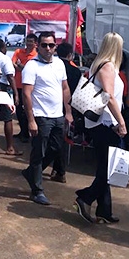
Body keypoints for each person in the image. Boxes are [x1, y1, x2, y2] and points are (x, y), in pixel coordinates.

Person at [73, 32, 128, 224]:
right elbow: (109, 97)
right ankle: (86, 197)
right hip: (106, 124)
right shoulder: (108, 67)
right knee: (108, 170)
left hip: (101, 124)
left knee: (105, 167)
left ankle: (104, 209)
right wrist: (121, 122)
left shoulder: (100, 64)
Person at [20, 32, 73, 205]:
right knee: (38, 152)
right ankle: (37, 190)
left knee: (56, 148)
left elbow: (65, 88)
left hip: (57, 116)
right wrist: (31, 120)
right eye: (44, 45)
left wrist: (68, 111)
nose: (48, 48)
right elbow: (26, 94)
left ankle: (31, 173)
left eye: (51, 45)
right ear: (38, 46)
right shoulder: (31, 66)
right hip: (41, 116)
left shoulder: (59, 64)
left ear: (55, 46)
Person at [50, 42, 82, 183]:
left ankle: (57, 169)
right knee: (63, 140)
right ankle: (59, 170)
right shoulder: (75, 71)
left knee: (51, 140)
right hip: (68, 108)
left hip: (53, 106)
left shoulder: (54, 66)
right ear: (70, 55)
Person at [0, 35, 21, 156]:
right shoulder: (5, 59)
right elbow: (10, 76)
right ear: (3, 47)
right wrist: (16, 94)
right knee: (8, 118)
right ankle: (10, 147)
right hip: (2, 88)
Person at [11, 33, 38, 141]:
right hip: (17, 85)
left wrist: (21, 66)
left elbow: (29, 70)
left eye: (31, 41)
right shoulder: (18, 51)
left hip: (29, 87)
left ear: (35, 43)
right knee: (18, 110)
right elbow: (13, 63)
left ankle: (27, 133)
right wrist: (22, 67)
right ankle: (23, 132)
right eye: (28, 41)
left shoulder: (36, 56)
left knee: (28, 110)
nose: (29, 43)